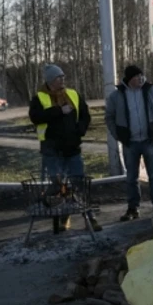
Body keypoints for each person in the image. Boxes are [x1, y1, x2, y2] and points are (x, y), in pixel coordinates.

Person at [29, 64, 98, 233]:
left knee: (79, 183)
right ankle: (63, 218)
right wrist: (59, 111)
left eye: (63, 77)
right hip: (52, 151)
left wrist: (80, 130)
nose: (62, 80)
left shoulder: (72, 94)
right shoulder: (39, 97)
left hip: (72, 148)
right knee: (58, 187)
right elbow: (36, 117)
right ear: (51, 80)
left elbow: (85, 115)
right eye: (59, 77)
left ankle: (89, 217)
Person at [105, 65, 153, 222]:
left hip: (149, 141)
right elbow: (109, 117)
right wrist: (118, 135)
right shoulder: (117, 96)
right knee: (131, 178)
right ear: (129, 79)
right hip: (130, 143)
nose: (140, 79)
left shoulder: (151, 91)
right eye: (136, 76)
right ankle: (133, 209)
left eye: (141, 75)